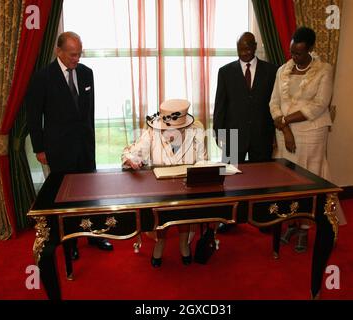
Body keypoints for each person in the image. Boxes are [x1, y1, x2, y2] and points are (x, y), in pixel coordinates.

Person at [26, 31, 113, 260]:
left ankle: (94, 235)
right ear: (59, 51)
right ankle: (70, 242)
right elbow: (34, 118)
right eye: (73, 54)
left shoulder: (87, 74)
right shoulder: (42, 78)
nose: (77, 59)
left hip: (85, 148)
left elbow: (88, 114)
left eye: (79, 54)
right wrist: (39, 149)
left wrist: (92, 142)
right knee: (66, 199)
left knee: (89, 195)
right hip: (59, 150)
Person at [269, 26, 347, 253]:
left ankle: (304, 227)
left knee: (308, 180)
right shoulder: (283, 70)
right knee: (287, 181)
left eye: (300, 53)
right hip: (285, 134)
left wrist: (285, 120)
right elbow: (273, 101)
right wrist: (284, 128)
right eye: (292, 52)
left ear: (311, 49)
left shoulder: (324, 70)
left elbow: (319, 104)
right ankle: (291, 223)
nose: (294, 57)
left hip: (312, 133)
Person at [122, 99, 207, 267]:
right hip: (160, 191)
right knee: (161, 214)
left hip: (186, 188)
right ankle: (160, 242)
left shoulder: (195, 132)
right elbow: (132, 154)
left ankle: (183, 244)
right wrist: (132, 161)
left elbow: (202, 161)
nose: (171, 132)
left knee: (185, 210)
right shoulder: (152, 132)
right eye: (167, 127)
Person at [213, 31, 278, 232]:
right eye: (241, 49)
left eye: (248, 48)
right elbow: (220, 105)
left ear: (256, 46)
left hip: (262, 133)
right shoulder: (225, 72)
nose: (245, 52)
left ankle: (262, 218)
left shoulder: (272, 70)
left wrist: (276, 134)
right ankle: (231, 219)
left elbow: (275, 104)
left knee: (262, 180)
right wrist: (219, 132)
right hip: (233, 134)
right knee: (230, 179)